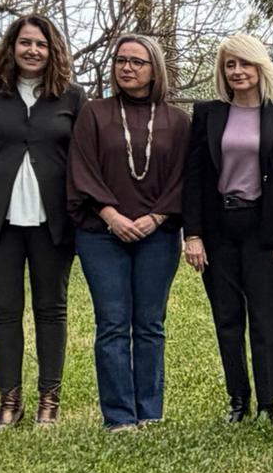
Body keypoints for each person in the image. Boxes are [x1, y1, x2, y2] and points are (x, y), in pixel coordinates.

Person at [0, 14, 87, 433]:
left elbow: (84, 163)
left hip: (54, 225)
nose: (33, 50)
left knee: (52, 311)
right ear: (12, 47)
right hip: (0, 224)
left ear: (54, 52)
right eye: (26, 42)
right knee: (4, 312)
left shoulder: (72, 98)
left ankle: (50, 400)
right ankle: (9, 403)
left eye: (42, 44)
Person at [68, 33, 190, 432]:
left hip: (158, 233)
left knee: (150, 324)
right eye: (121, 60)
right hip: (102, 233)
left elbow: (183, 178)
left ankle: (150, 412)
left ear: (155, 69)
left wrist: (155, 218)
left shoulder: (176, 120)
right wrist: (112, 216)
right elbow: (81, 170)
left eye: (138, 62)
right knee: (113, 323)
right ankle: (119, 417)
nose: (127, 68)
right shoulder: (94, 113)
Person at [182, 34, 273, 426]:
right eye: (230, 65)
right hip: (218, 230)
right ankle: (238, 399)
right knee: (227, 319)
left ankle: (268, 403)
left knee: (266, 320)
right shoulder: (207, 114)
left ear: (260, 68)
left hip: (264, 231)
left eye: (245, 64)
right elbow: (194, 177)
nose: (237, 72)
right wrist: (193, 234)